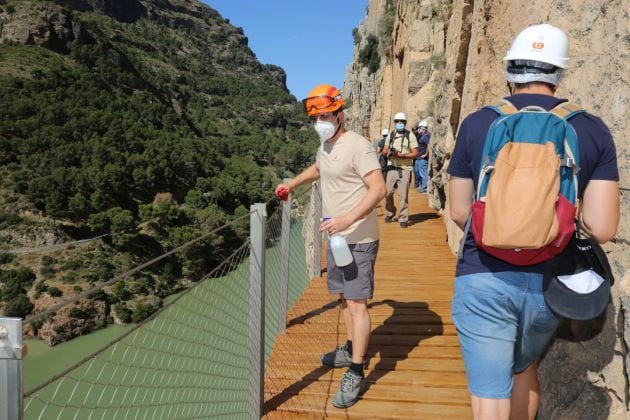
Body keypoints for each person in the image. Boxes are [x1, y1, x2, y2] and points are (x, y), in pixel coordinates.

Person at [447, 24, 619, 420]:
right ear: (560, 75)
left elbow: (459, 210)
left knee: (490, 395)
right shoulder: (590, 129)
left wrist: (503, 228)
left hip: (483, 275)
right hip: (550, 281)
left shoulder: (477, 124)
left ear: (509, 71)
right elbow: (603, 227)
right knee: (524, 368)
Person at [274, 84, 387, 409]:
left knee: (356, 304)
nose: (320, 121)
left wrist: (347, 219)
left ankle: (356, 368)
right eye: (316, 117)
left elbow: (378, 188)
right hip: (337, 239)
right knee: (344, 298)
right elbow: (319, 169)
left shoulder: (358, 145)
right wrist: (292, 183)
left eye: (325, 115)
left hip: (358, 239)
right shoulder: (326, 145)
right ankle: (351, 346)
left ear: (340, 114)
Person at [382, 112, 419, 228]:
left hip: (405, 169)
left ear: (405, 123)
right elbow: (384, 150)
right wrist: (388, 153)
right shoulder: (391, 135)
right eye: (397, 121)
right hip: (391, 168)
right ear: (394, 122)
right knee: (387, 193)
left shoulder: (410, 136)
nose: (399, 123)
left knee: (403, 196)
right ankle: (391, 211)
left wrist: (401, 155)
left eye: (401, 121)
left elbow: (415, 153)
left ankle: (403, 218)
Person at [412, 120, 431, 193]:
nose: (419, 130)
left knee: (423, 174)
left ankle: (424, 189)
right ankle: (420, 186)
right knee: (417, 172)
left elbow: (428, 145)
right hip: (417, 158)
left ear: (424, 128)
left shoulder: (427, 135)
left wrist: (425, 154)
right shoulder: (421, 135)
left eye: (420, 128)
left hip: (422, 158)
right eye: (419, 128)